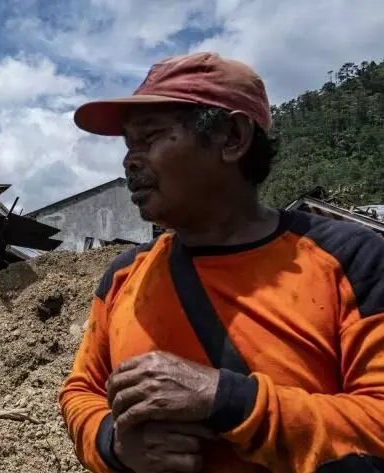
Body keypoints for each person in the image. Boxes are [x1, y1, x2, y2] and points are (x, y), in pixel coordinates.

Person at [59, 51, 384, 473]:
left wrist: (229, 401)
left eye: (151, 137)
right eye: (128, 145)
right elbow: (80, 389)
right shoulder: (123, 277)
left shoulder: (352, 260)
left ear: (232, 137)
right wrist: (113, 444)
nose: (129, 160)